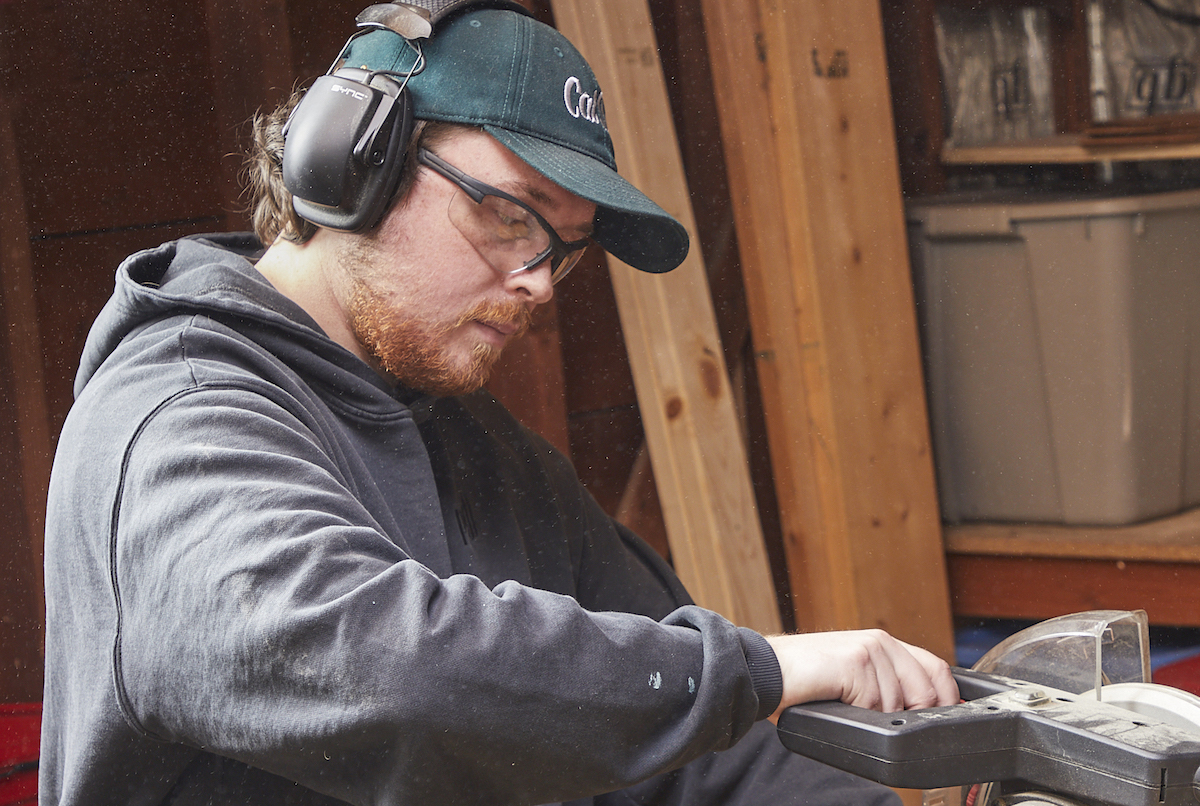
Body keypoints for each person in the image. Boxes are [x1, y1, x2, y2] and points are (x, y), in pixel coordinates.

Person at [39, 2, 958, 804]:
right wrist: (751, 669)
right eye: (510, 215)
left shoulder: (486, 452)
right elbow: (388, 671)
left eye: (562, 247)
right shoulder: (179, 418)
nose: (537, 283)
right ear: (355, 161)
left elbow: (692, 755)